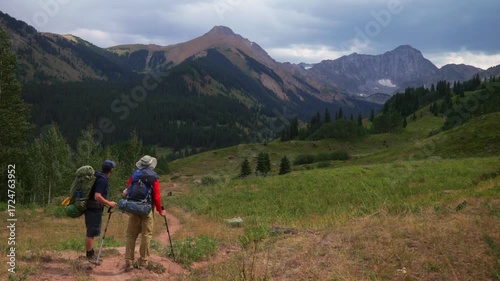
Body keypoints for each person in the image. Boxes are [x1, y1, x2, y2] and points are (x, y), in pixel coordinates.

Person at [124, 155, 167, 271]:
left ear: (141, 164)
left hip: (134, 208)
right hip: (147, 210)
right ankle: (143, 262)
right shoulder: (154, 178)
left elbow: (126, 191)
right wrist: (160, 210)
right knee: (146, 235)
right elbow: (157, 197)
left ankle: (128, 261)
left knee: (131, 235)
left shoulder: (134, 175)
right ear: (151, 165)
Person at [85, 160, 118, 264]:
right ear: (111, 169)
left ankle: (91, 254)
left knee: (92, 232)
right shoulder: (102, 180)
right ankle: (90, 256)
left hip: (92, 208)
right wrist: (109, 203)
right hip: (93, 209)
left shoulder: (99, 177)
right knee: (91, 232)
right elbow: (97, 196)